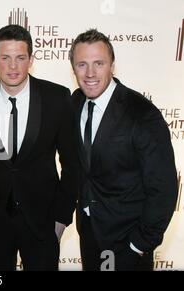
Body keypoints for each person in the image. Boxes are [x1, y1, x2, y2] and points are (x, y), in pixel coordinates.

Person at [0, 24, 80, 270]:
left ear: (31, 59)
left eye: (20, 58)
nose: (13, 66)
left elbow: (72, 163)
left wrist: (61, 217)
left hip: (43, 220)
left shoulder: (57, 97)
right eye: (5, 58)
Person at [69, 29, 178, 271]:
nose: (90, 73)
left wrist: (139, 245)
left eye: (99, 63)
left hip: (127, 242)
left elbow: (164, 188)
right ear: (73, 68)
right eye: (82, 64)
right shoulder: (75, 102)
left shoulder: (142, 113)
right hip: (89, 233)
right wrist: (0, 87)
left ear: (112, 66)